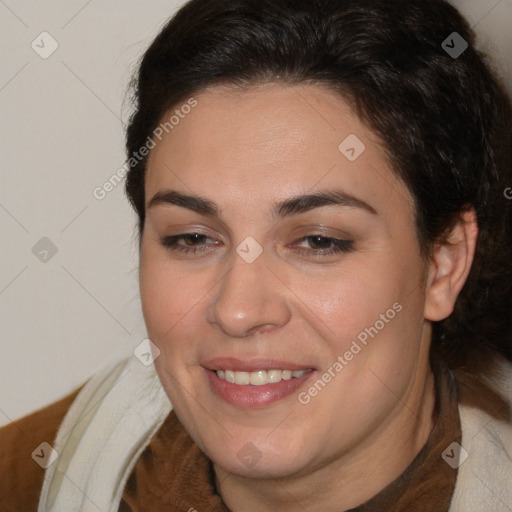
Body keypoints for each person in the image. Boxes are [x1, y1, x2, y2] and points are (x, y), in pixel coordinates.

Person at [1, 0, 511, 510]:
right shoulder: (33, 478)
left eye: (318, 241)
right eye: (193, 238)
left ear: (443, 263)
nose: (237, 310)